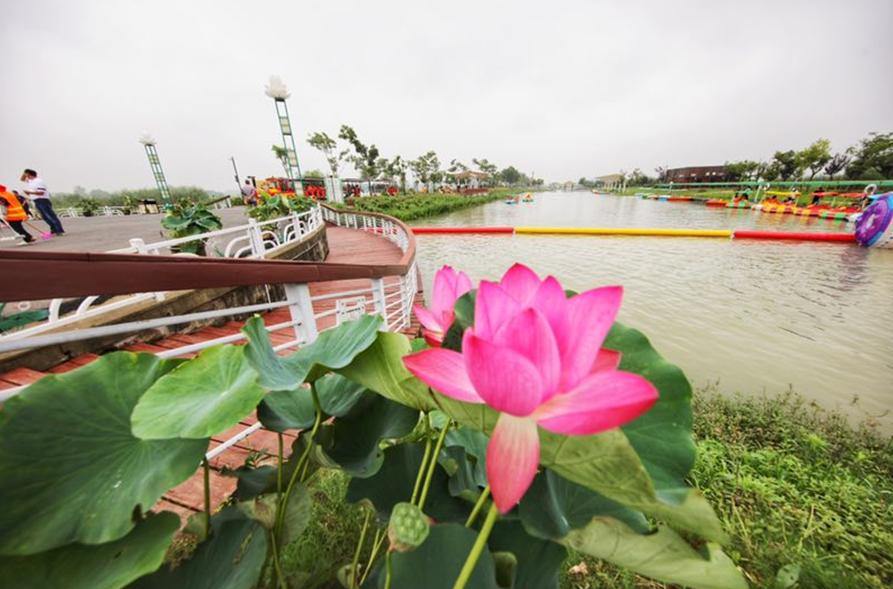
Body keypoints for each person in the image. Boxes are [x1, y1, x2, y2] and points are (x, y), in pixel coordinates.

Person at [21, 169, 64, 235]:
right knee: (45, 217)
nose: (26, 176)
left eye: (26, 175)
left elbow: (41, 192)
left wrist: (29, 192)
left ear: (30, 175)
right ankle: (54, 229)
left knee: (50, 215)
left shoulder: (38, 181)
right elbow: (22, 179)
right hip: (36, 201)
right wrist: (24, 173)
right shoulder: (30, 181)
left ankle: (59, 230)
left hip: (43, 200)